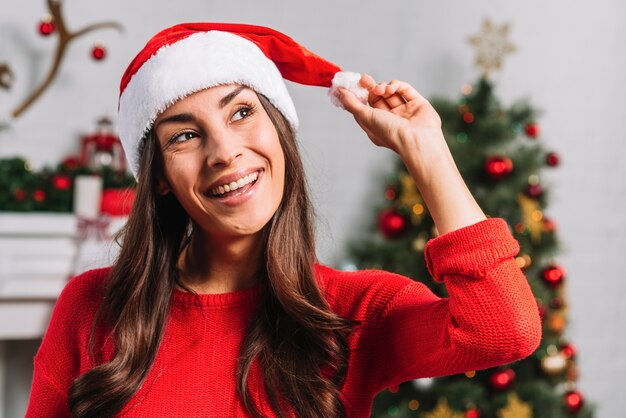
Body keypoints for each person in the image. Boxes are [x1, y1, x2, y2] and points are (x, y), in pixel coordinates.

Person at [26, 23, 541, 418]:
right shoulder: (91, 307)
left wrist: (425, 152)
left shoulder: (352, 312)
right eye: (185, 135)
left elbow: (504, 330)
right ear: (159, 176)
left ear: (279, 133)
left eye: (242, 113)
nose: (225, 152)